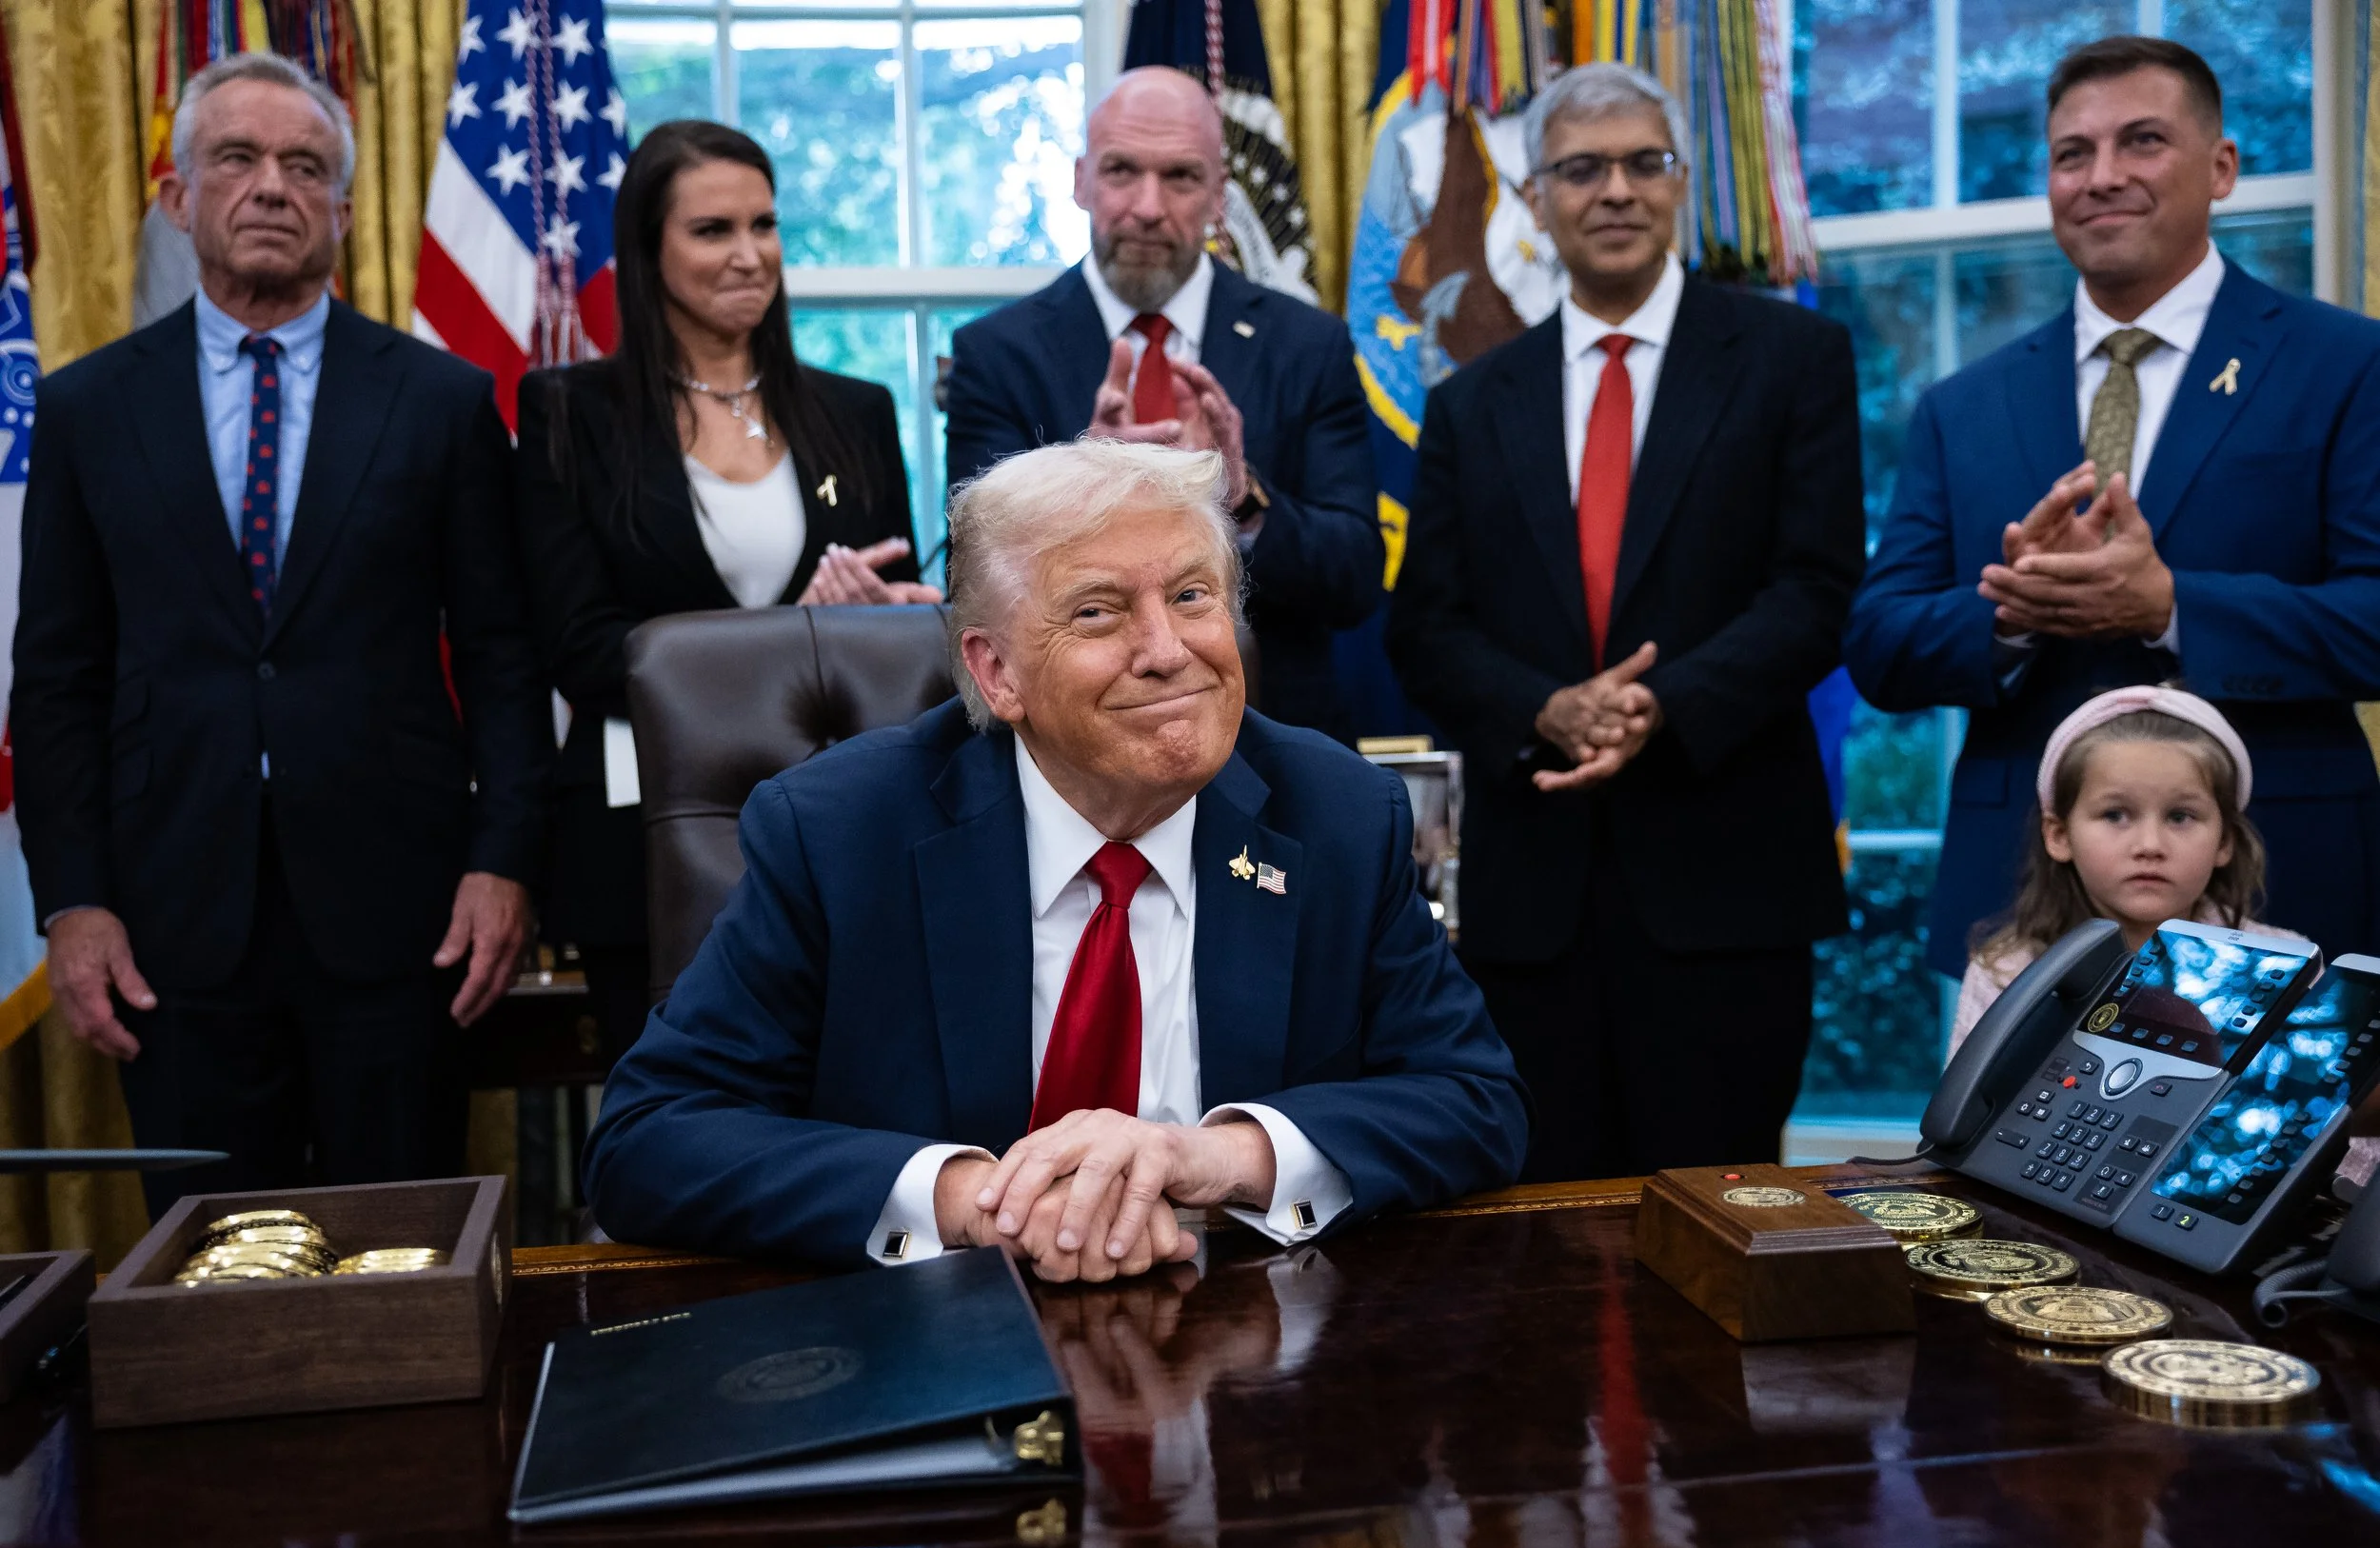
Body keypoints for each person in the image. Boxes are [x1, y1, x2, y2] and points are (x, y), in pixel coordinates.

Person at [581, 439, 1529, 1277]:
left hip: (1251, 1376)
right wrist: (971, 1199)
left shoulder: (1332, 813)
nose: (1168, 651)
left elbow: (1475, 1099)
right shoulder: (841, 830)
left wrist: (1224, 1154)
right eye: (1098, 613)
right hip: (930, 1361)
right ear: (997, 673)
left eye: (1193, 595)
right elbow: (648, 1139)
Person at [13, 53, 548, 1210]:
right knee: (211, 1268)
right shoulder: (87, 408)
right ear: (178, 196)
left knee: (402, 1251)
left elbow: (506, 656)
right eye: (237, 159)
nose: (271, 186)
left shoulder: (442, 401)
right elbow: (55, 676)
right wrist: (75, 901)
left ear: (344, 213)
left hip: (403, 915)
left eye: (304, 165)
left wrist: (501, 859)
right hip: (170, 917)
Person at [1383, 63, 1865, 1182]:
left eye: (1643, 162)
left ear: (1682, 183)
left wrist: (1662, 704)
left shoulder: (1794, 359)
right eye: (1581, 168)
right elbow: (1426, 629)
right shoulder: (1466, 399)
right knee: (1542, 1249)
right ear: (1535, 196)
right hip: (1530, 904)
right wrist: (1546, 707)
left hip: (1727, 882)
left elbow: (1818, 589)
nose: (1614, 191)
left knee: (1719, 1228)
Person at [1847, 35, 2380, 982]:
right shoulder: (1963, 405)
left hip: (2278, 885)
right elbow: (1880, 644)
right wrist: (2010, 614)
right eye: (2070, 154)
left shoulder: (2343, 366)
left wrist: (2172, 607)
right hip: (2023, 910)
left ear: (2221, 167)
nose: (2101, 177)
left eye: (2140, 142)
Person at [517, 119, 933, 1060]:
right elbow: (580, 647)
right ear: (647, 250)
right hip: (645, 836)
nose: (750, 255)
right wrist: (799, 637)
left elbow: (899, 634)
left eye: (766, 224)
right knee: (680, 1122)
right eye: (712, 230)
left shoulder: (855, 412)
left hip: (843, 828)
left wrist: (881, 621)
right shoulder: (569, 414)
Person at [943, 66, 1380, 741]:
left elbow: (1353, 581)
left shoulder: (1307, 344)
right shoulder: (998, 353)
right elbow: (975, 582)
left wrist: (1242, 498)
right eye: (1122, 172)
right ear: (1082, 180)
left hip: (1275, 744)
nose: (1148, 206)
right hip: (1067, 748)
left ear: (1218, 195)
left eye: (1179, 177)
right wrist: (1084, 482)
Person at [1950, 685, 2287, 1050]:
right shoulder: (2008, 974)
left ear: (2225, 841)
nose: (2150, 846)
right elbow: (1963, 1107)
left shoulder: (2281, 965)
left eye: (2180, 817)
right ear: (2059, 835)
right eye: (2115, 815)